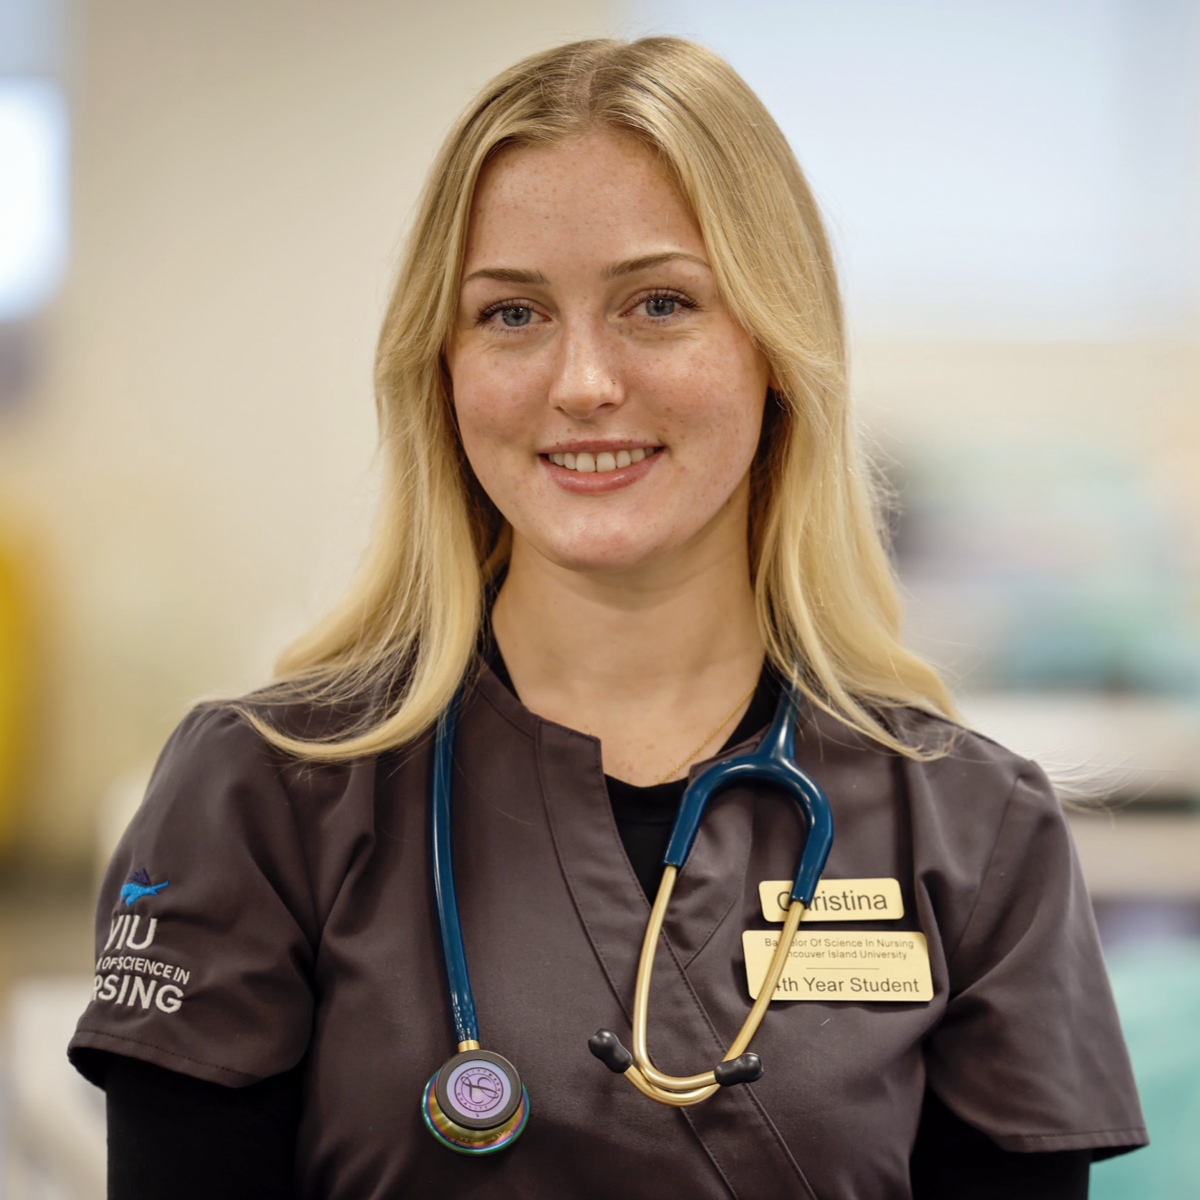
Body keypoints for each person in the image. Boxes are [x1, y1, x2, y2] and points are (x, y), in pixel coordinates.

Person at [69, 36, 1147, 1198]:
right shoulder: (269, 798)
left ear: (775, 351)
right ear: (443, 365)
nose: (582, 381)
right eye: (513, 314)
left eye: (659, 302)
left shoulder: (971, 831)